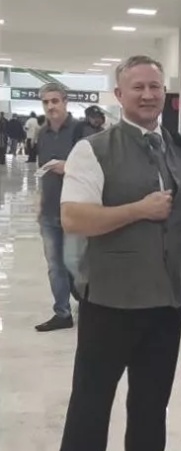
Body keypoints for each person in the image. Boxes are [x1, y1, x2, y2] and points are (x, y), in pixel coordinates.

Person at [50, 54, 181, 451]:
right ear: (119, 95)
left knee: (151, 405)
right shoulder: (93, 150)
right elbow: (73, 218)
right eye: (138, 87)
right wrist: (138, 209)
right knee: (91, 404)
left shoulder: (178, 149)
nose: (148, 95)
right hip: (111, 303)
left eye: (155, 86)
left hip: (163, 305)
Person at [35, 83, 81, 332]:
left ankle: (87, 303)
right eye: (46, 102)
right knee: (55, 266)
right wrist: (41, 201)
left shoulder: (81, 130)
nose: (50, 106)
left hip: (76, 210)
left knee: (75, 263)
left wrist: (69, 168)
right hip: (50, 211)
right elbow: (43, 171)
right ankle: (62, 313)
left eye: (55, 101)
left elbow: (97, 168)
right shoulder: (42, 133)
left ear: (65, 101)